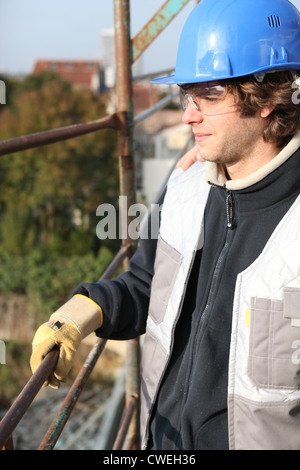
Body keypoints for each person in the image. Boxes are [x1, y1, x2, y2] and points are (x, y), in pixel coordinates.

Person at [30, 0, 300, 450]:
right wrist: (84, 309)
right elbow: (146, 285)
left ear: (267, 98)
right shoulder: (185, 187)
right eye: (186, 96)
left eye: (209, 96)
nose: (189, 114)